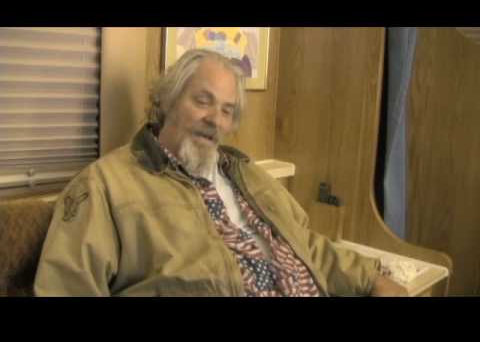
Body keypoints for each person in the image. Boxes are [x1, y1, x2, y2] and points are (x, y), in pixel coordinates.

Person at [34, 49, 407, 297]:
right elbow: (67, 286)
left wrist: (373, 277)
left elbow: (305, 245)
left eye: (227, 110)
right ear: (165, 100)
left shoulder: (245, 173)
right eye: (203, 101)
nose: (215, 119)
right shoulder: (106, 185)